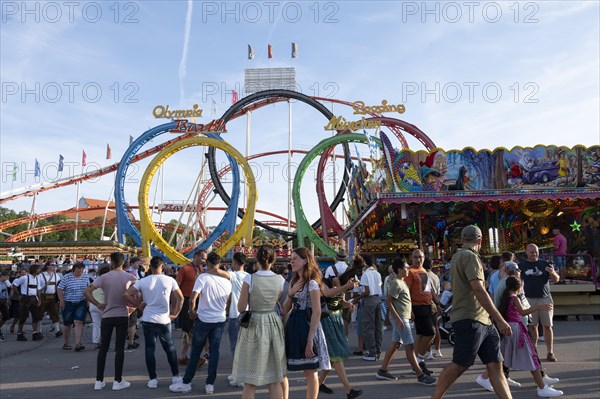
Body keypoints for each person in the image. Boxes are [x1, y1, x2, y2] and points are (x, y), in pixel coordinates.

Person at [431, 225, 513, 399]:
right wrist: (500, 319)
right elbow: (478, 288)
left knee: (495, 365)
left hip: (482, 320)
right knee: (459, 365)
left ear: (462, 240)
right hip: (471, 318)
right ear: (480, 240)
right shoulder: (470, 257)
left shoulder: (457, 257)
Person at [169, 252, 232, 395]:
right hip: (219, 319)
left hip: (203, 319)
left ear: (207, 263)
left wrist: (192, 312)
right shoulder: (227, 282)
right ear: (220, 265)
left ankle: (187, 382)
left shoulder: (202, 278)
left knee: (196, 350)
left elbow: (192, 299)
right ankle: (210, 383)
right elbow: (228, 302)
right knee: (214, 351)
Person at [231, 245, 288, 399]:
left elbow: (241, 307)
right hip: (273, 323)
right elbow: (284, 305)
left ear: (257, 259)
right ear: (273, 260)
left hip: (254, 323)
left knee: (250, 380)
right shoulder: (280, 279)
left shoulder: (250, 278)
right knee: (275, 378)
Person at [124, 256, 184, 389]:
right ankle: (175, 376)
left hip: (148, 318)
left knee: (150, 349)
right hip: (164, 319)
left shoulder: (143, 281)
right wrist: (176, 313)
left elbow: (126, 294)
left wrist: (138, 305)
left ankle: (153, 379)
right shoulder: (169, 280)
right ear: (162, 266)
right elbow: (180, 298)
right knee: (170, 349)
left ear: (149, 267)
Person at [498, 277, 563, 397]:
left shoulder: (505, 298)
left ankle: (489, 378)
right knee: (531, 357)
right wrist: (539, 307)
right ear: (518, 287)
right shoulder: (514, 298)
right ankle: (542, 387)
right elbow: (523, 312)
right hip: (517, 330)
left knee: (504, 357)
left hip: (510, 330)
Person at [376, 258, 436, 386]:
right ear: (399, 270)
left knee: (396, 343)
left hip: (403, 317)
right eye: (406, 268)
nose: (408, 269)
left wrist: (411, 313)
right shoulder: (396, 283)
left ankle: (383, 370)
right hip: (401, 318)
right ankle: (420, 375)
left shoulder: (401, 282)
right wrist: (398, 319)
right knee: (409, 346)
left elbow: (403, 301)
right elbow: (389, 301)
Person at [283, 247, 331, 399]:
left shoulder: (312, 283)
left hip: (309, 325)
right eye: (291, 258)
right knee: (297, 369)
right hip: (294, 325)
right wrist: (290, 294)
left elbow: (317, 312)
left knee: (310, 370)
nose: (292, 261)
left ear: (305, 260)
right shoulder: (293, 281)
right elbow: (285, 309)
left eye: (295, 258)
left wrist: (310, 339)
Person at [85, 252, 137, 391]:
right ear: (123, 263)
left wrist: (97, 304)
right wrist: (133, 306)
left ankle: (99, 380)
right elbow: (138, 293)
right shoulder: (130, 277)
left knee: (103, 348)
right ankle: (117, 380)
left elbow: (87, 291)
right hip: (122, 314)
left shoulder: (104, 277)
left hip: (107, 314)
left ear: (111, 263)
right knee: (119, 348)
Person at [317, 259, 363, 399]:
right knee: (336, 354)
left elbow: (339, 301)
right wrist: (345, 287)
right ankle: (349, 390)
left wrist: (348, 305)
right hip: (327, 320)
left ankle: (319, 383)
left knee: (333, 356)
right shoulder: (323, 283)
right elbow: (328, 294)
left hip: (336, 319)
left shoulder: (341, 285)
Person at [519, 244, 560, 362]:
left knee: (547, 325)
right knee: (532, 326)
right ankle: (534, 351)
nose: (534, 254)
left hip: (545, 298)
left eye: (536, 251)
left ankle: (550, 352)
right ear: (526, 252)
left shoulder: (545, 264)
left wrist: (552, 272)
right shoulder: (521, 266)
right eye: (531, 252)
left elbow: (556, 279)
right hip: (528, 299)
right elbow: (517, 281)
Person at [405, 249, 439, 375]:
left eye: (420, 257)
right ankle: (420, 360)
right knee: (431, 333)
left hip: (428, 306)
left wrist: (437, 304)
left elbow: (429, 290)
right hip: (417, 307)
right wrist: (410, 310)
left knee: (420, 335)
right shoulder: (410, 271)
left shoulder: (423, 271)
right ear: (411, 258)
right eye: (415, 257)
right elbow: (406, 291)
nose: (418, 259)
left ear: (424, 258)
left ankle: (417, 363)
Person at [175, 250, 207, 366]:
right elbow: (176, 286)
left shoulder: (201, 270)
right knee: (189, 330)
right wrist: (177, 304)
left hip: (198, 302)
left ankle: (185, 356)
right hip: (187, 301)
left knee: (195, 330)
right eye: (203, 258)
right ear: (196, 256)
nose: (204, 261)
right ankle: (189, 356)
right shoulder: (185, 269)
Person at [226, 251, 248, 388]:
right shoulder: (249, 276)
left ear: (235, 262)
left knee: (235, 345)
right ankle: (237, 373)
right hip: (247, 313)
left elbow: (220, 273)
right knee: (244, 344)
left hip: (235, 313)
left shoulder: (233, 275)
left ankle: (239, 376)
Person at [57, 262, 90, 351]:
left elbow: (88, 289)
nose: (80, 272)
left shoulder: (86, 277)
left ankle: (78, 343)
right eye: (78, 271)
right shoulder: (66, 277)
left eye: (82, 270)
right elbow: (59, 289)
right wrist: (62, 301)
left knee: (79, 321)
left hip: (81, 302)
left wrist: (88, 300)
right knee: (67, 322)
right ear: (73, 270)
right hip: (68, 302)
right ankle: (66, 342)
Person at [356, 254, 383, 362]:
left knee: (368, 327)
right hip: (378, 300)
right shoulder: (377, 273)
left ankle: (372, 353)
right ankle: (377, 350)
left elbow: (366, 292)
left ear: (365, 263)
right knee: (377, 327)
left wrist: (356, 299)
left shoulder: (365, 275)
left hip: (369, 301)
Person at [11, 264, 44, 342]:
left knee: (36, 316)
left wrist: (39, 300)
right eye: (39, 269)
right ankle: (20, 334)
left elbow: (38, 290)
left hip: (33, 298)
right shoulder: (24, 278)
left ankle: (35, 333)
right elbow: (14, 285)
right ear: (34, 270)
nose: (40, 271)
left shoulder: (37, 278)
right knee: (23, 317)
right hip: (25, 298)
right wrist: (18, 295)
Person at [424, 258, 443, 358]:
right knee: (436, 326)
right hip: (435, 303)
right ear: (431, 266)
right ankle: (438, 349)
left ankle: (429, 351)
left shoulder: (423, 275)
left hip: (427, 303)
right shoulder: (435, 276)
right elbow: (438, 292)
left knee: (428, 329)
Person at [89, 266, 110, 349]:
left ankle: (97, 342)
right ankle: (104, 342)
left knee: (96, 324)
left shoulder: (96, 280)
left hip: (93, 305)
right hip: (103, 305)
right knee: (105, 325)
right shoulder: (107, 281)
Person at [39, 260, 62, 337]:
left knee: (54, 313)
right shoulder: (41, 275)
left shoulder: (57, 275)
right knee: (40, 313)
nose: (54, 266)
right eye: (52, 265)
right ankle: (39, 330)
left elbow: (59, 286)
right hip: (43, 296)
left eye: (55, 265)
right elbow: (38, 287)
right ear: (47, 266)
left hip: (53, 296)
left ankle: (57, 330)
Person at [0, 270, 11, 341]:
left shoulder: (4, 283)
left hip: (3, 301)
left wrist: (7, 300)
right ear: (2, 276)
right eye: (6, 277)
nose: (7, 279)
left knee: (6, 316)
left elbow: (5, 292)